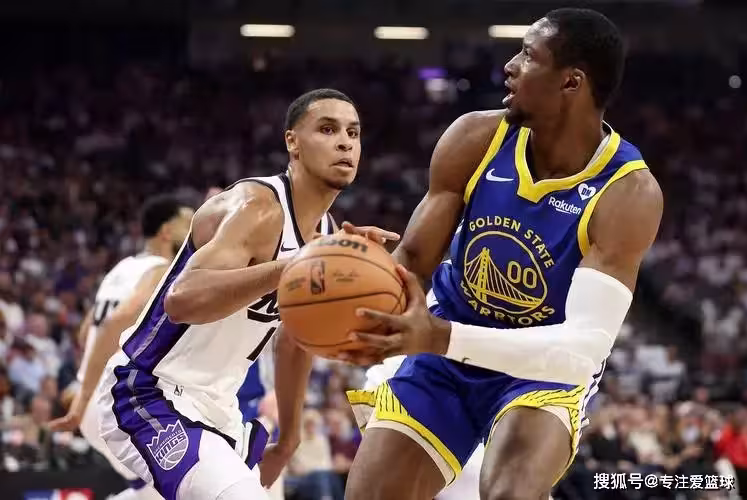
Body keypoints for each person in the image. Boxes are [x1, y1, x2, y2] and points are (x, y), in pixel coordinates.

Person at [342, 8, 663, 500]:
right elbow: (414, 259)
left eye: (529, 56)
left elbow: (580, 351)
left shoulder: (628, 192)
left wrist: (440, 336)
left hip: (540, 369)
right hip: (444, 353)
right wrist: (356, 273)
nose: (509, 66)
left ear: (571, 82)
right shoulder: (475, 137)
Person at [94, 88, 397, 500]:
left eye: (353, 132)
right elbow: (180, 300)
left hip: (221, 407)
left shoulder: (326, 232)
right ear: (292, 142)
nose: (345, 142)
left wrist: (289, 438)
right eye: (327, 129)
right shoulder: (257, 207)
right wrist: (297, 263)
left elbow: (294, 340)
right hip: (148, 390)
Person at [50, 194, 194, 500]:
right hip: (114, 401)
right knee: (180, 484)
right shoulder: (162, 269)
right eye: (187, 221)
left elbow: (86, 332)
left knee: (152, 490)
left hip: (94, 404)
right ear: (167, 231)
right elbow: (117, 320)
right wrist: (87, 394)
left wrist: (84, 390)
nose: (194, 227)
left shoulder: (121, 268)